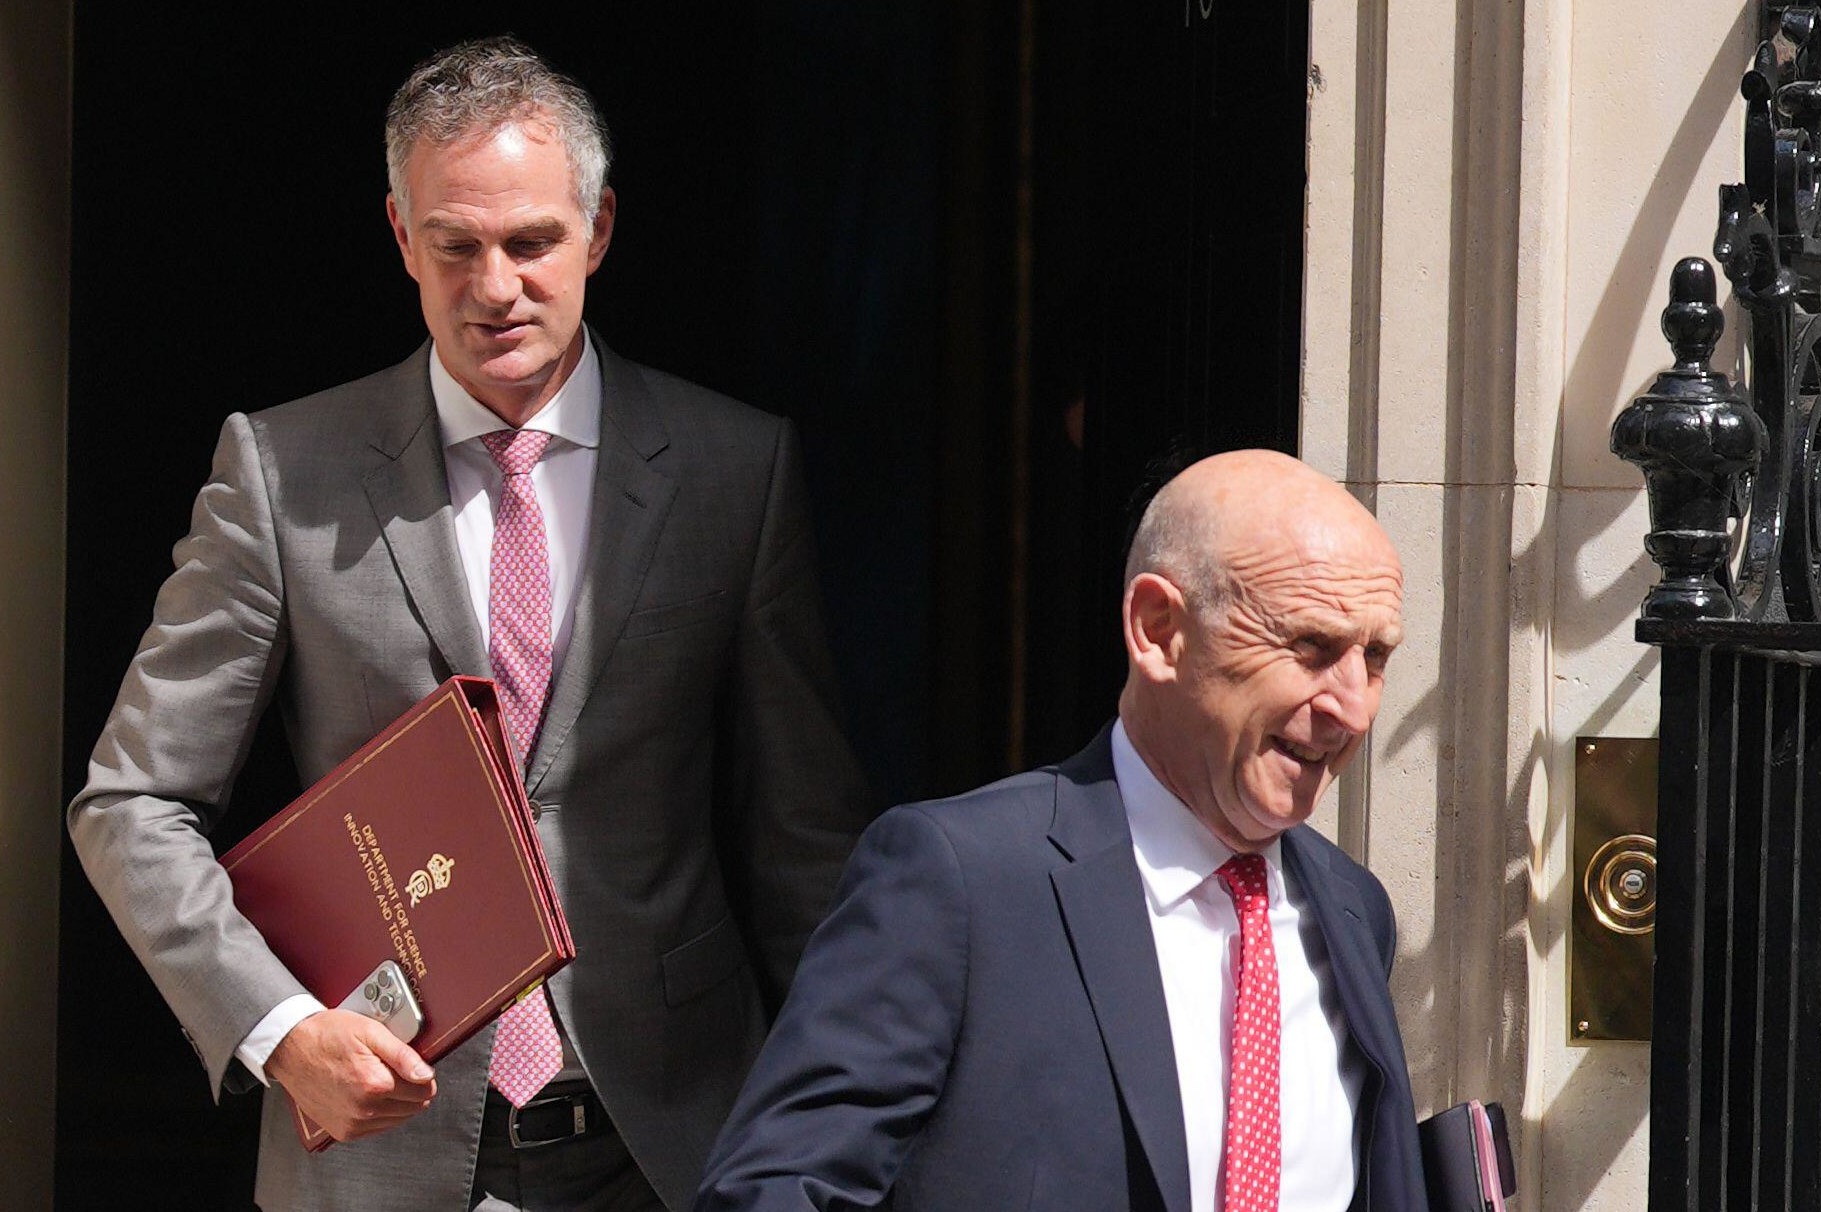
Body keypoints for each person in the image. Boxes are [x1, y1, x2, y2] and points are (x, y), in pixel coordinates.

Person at [67, 36, 870, 1212]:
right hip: (383, 1149)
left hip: (670, 1147)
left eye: (533, 242)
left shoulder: (730, 470)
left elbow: (802, 839)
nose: (496, 286)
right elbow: (131, 803)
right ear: (401, 236)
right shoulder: (286, 472)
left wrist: (834, 1130)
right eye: (456, 245)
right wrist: (282, 1030)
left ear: (597, 231)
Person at [696, 449, 1428, 1211]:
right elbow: (773, 1190)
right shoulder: (961, 883)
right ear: (1158, 630)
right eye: (1309, 647)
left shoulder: (1353, 912)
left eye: (1374, 657)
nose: (1352, 706)